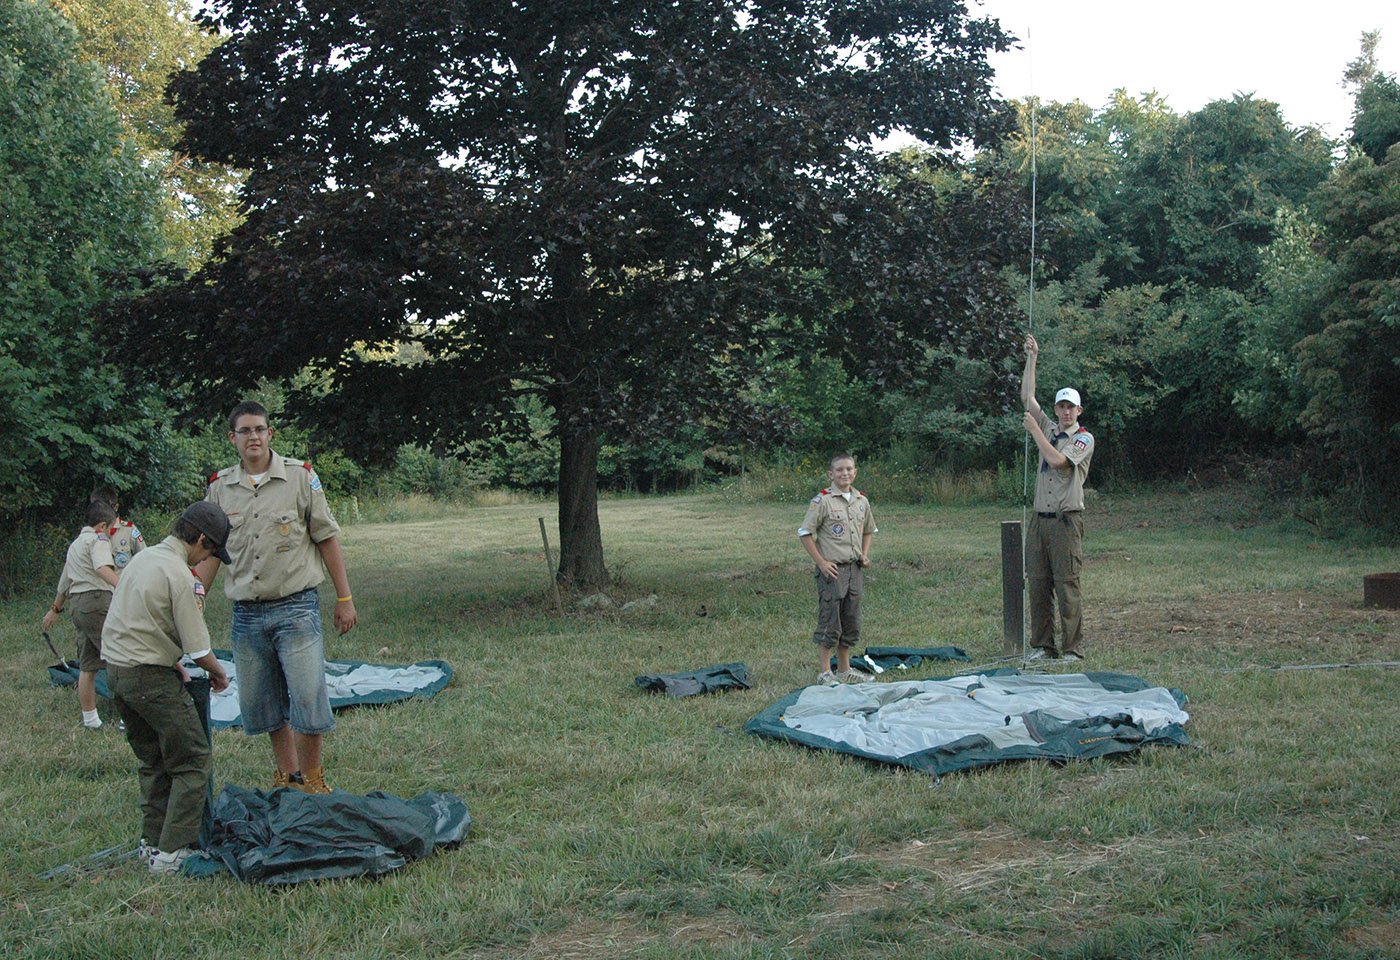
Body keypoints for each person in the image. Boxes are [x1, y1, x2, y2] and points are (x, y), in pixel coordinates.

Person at [198, 400, 357, 794]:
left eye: (260, 429)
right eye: (245, 431)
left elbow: (326, 536)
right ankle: (288, 776)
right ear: (232, 438)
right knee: (263, 703)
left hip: (296, 608)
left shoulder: (300, 477)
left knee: (307, 697)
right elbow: (211, 553)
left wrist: (344, 597)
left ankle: (313, 778)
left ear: (270, 434)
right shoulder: (220, 488)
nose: (254, 437)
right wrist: (193, 596)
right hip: (247, 614)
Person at [102, 502, 232, 875]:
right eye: (210, 551)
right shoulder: (179, 574)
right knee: (191, 760)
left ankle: (152, 842)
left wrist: (167, 655)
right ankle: (174, 853)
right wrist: (219, 673)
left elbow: (135, 618)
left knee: (154, 760)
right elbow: (198, 646)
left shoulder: (142, 561)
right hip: (150, 680)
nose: (207, 559)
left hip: (118, 673)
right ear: (201, 539)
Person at [1020, 334, 1096, 661]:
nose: (1065, 412)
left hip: (1067, 522)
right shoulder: (1049, 427)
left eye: (1070, 407)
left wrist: (1035, 432)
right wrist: (1032, 357)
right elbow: (1027, 397)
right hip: (1040, 521)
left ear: (1079, 410)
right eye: (1061, 407)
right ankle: (1043, 646)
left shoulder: (1083, 438)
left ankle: (1073, 649)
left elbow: (1058, 462)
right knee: (1038, 585)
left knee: (1067, 586)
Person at [42, 500, 122, 729]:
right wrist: (124, 585)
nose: (111, 533)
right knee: (120, 657)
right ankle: (129, 718)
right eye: (111, 528)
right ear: (102, 526)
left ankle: (90, 719)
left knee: (88, 664)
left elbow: (64, 582)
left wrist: (55, 609)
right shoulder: (98, 540)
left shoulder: (75, 545)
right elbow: (101, 567)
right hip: (97, 602)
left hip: (79, 607)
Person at [799, 453, 877, 685]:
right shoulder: (822, 501)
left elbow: (869, 530)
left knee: (850, 619)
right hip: (832, 571)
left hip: (854, 570)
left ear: (855, 472)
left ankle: (844, 669)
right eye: (840, 470)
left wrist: (865, 554)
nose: (845, 473)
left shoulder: (861, 500)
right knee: (830, 619)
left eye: (849, 469)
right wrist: (821, 563)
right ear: (830, 474)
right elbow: (805, 534)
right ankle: (825, 672)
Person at [90, 484, 145, 571]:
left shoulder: (130, 530)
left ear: (116, 507)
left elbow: (144, 558)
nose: (101, 512)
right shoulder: (89, 533)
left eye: (105, 508)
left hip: (123, 582)